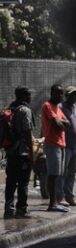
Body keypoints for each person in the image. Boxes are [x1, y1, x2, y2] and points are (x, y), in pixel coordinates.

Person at [3, 87, 34, 219]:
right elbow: (27, 132)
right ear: (25, 96)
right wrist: (32, 151)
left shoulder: (10, 108)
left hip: (10, 152)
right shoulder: (25, 110)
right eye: (29, 95)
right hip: (22, 153)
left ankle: (8, 210)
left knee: (10, 181)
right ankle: (22, 210)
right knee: (23, 182)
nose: (30, 98)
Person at [40, 85, 69, 212]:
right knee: (52, 174)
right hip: (52, 144)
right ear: (52, 93)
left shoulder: (58, 108)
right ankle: (52, 204)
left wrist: (61, 122)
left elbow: (67, 123)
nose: (61, 96)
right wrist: (61, 122)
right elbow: (57, 125)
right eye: (58, 93)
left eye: (62, 94)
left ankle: (56, 202)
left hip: (61, 144)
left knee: (58, 174)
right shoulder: (47, 106)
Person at [58, 86, 76, 208]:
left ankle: (69, 196)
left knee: (72, 172)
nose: (75, 97)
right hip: (65, 145)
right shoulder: (60, 108)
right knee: (63, 172)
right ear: (66, 96)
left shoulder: (75, 108)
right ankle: (60, 197)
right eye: (72, 95)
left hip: (74, 146)